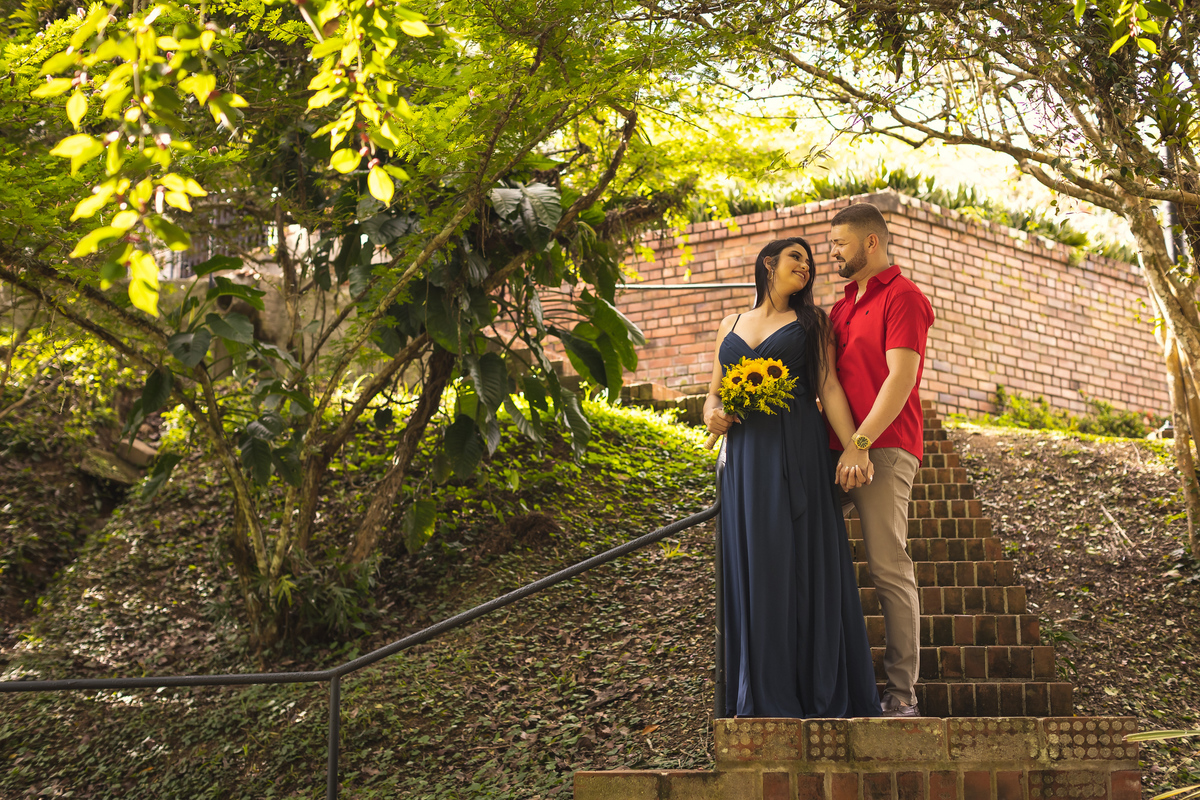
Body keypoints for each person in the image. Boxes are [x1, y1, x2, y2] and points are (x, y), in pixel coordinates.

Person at [703, 237, 881, 719]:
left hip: (797, 451)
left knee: (799, 561)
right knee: (757, 564)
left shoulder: (812, 322)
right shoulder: (730, 325)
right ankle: (759, 691)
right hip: (744, 461)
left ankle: (809, 687)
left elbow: (828, 387)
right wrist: (714, 416)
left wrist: (853, 446)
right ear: (768, 264)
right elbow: (712, 396)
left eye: (810, 261)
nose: (806, 267)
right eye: (796, 258)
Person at [827, 202, 935, 718]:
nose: (833, 253)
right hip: (835, 451)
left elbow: (900, 380)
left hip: (884, 449)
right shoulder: (842, 306)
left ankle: (901, 693)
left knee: (889, 567)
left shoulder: (905, 297)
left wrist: (861, 444)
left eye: (841, 244)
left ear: (871, 242)